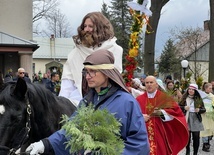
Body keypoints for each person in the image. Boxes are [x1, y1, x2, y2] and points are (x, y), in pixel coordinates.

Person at [23, 49, 150, 155]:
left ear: (107, 73)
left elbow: (140, 145)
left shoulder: (127, 102)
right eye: (86, 72)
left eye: (93, 71)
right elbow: (70, 131)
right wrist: (45, 144)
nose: (87, 76)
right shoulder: (87, 102)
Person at [58, 12, 123, 107]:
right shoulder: (76, 52)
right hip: (77, 101)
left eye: (90, 26)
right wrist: (62, 104)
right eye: (85, 26)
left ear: (100, 28)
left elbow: (115, 80)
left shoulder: (114, 49)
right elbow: (67, 82)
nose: (87, 30)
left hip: (107, 101)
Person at [136, 75, 189, 155]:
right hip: (144, 134)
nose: (149, 84)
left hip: (160, 133)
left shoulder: (164, 98)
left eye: (151, 82)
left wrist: (161, 113)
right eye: (147, 83)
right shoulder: (139, 99)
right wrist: (140, 117)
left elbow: (176, 112)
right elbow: (133, 115)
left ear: (156, 85)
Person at [179, 83, 206, 155]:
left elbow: (204, 109)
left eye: (192, 90)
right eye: (189, 89)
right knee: (187, 137)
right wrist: (184, 108)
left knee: (196, 137)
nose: (190, 91)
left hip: (196, 119)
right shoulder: (184, 98)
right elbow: (178, 107)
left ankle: (195, 153)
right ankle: (187, 151)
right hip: (186, 118)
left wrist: (199, 110)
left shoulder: (198, 99)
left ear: (195, 91)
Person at [200, 82, 214, 152]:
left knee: (210, 129)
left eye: (211, 88)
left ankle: (208, 140)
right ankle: (205, 144)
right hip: (204, 115)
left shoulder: (212, 96)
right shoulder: (201, 95)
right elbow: (198, 104)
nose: (211, 89)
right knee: (205, 129)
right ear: (206, 88)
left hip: (210, 115)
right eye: (210, 88)